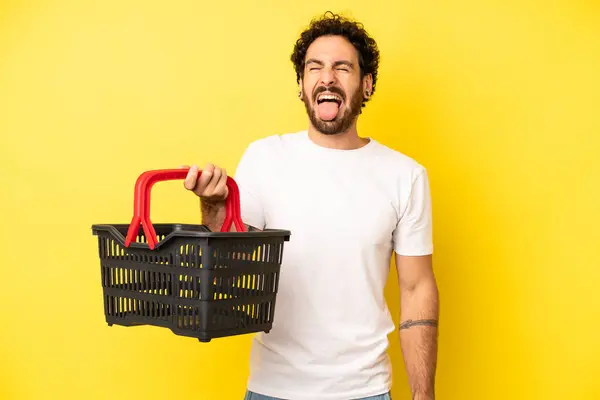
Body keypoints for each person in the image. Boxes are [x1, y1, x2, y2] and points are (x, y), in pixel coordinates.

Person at [182, 11, 439, 400]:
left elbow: (417, 287)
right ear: (302, 86)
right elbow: (230, 272)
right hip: (273, 389)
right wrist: (213, 207)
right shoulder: (264, 158)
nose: (327, 77)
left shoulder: (405, 175)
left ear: (366, 85)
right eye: (314, 67)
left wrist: (423, 395)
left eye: (342, 68)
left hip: (364, 390)